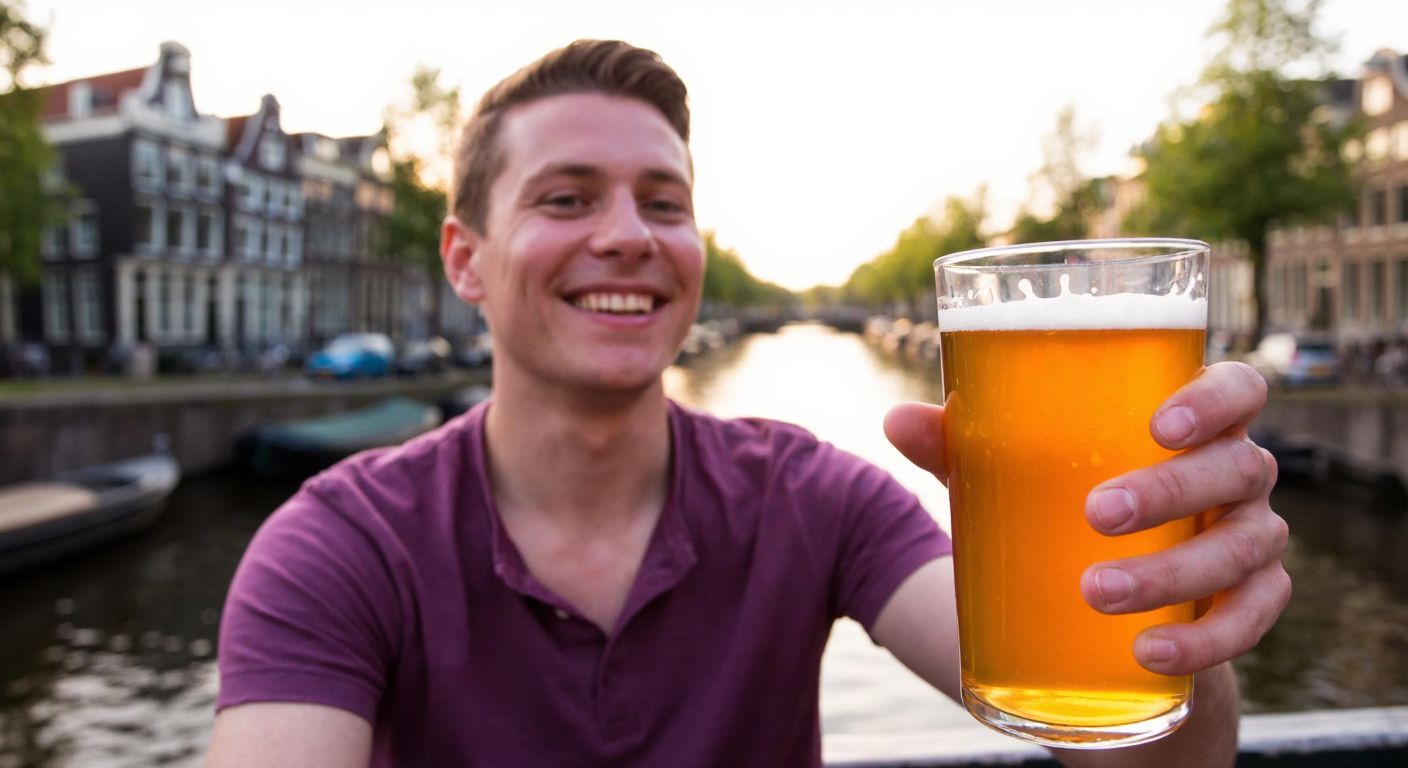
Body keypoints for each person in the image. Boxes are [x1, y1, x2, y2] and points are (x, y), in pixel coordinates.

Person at [204, 40, 1288, 767]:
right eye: (566, 197)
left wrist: (1173, 611)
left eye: (663, 203)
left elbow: (1140, 755)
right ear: (463, 258)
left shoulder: (811, 497)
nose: (628, 233)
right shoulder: (336, 549)